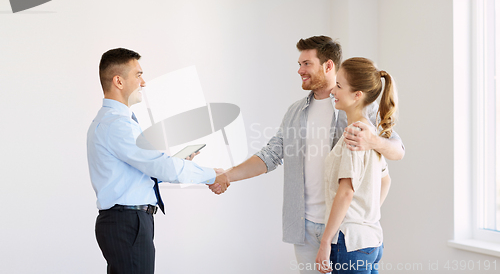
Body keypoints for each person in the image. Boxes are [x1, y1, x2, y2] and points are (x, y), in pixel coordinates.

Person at [209, 36, 404, 274]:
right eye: (299, 64)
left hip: (344, 233)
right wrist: (227, 175)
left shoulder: (358, 107)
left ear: (328, 65)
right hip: (306, 229)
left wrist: (361, 218)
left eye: (306, 63)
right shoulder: (295, 112)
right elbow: (271, 154)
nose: (300, 70)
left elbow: (396, 150)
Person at [87, 48, 229, 274]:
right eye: (138, 74)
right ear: (118, 81)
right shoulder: (117, 124)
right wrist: (213, 174)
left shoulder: (113, 121)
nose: (143, 82)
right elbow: (162, 167)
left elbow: (139, 174)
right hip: (128, 223)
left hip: (126, 222)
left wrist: (176, 163)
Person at [315, 57, 396, 274]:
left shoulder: (354, 135)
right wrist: (365, 215)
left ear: (357, 95)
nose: (333, 91)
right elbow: (386, 180)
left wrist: (325, 242)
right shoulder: (370, 133)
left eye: (339, 86)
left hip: (348, 243)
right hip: (371, 241)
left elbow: (346, 192)